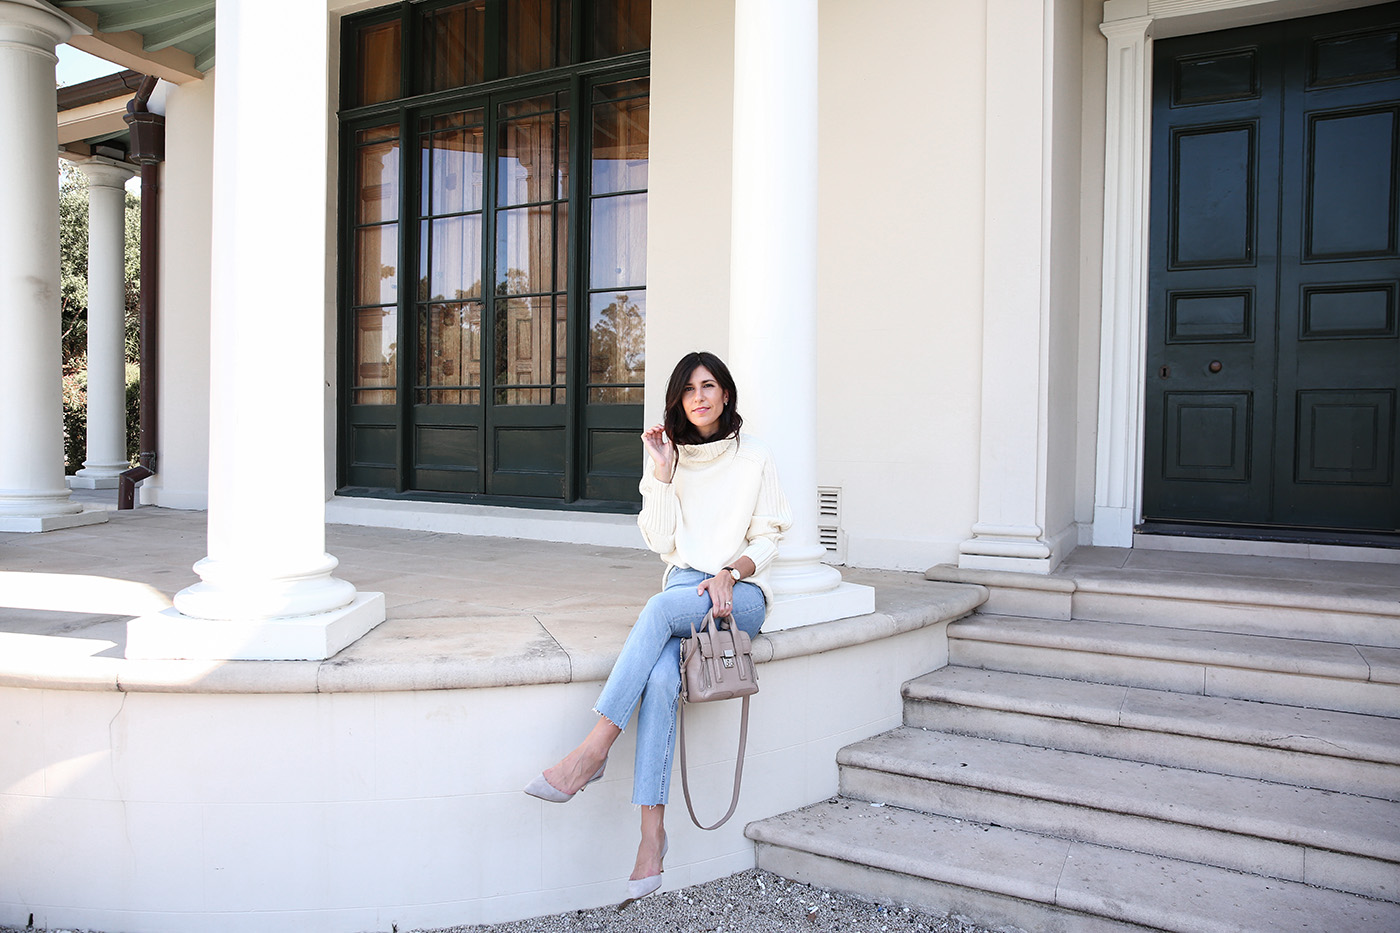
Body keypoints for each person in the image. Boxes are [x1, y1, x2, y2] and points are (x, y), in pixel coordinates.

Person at [524, 350, 792, 907]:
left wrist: (729, 572)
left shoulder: (755, 457)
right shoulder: (669, 459)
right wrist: (663, 478)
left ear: (725, 394)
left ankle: (595, 749)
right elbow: (661, 543)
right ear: (677, 399)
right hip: (685, 587)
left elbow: (769, 536)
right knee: (664, 681)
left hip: (740, 594)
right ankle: (651, 840)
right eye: (689, 388)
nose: (700, 396)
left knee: (655, 611)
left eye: (710, 385)